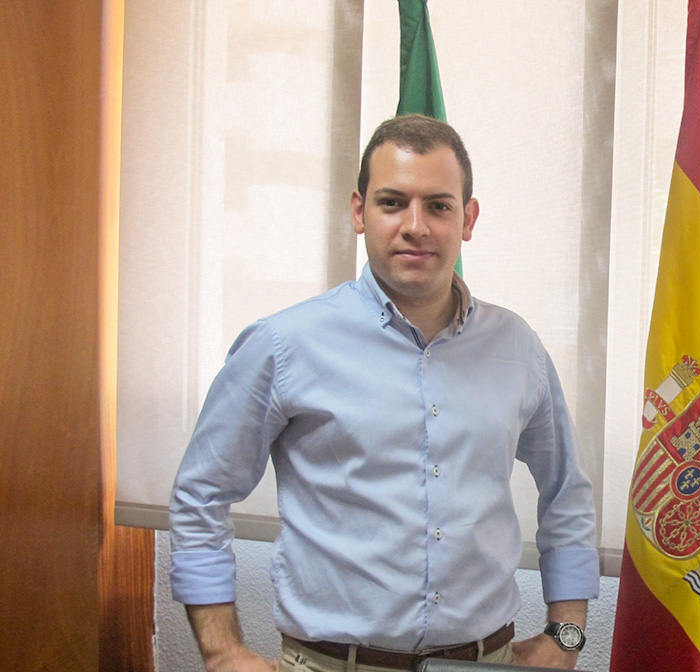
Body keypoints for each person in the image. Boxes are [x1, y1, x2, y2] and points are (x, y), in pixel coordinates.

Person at [168, 114, 599, 672]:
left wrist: (565, 637)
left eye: (439, 206)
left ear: (468, 219)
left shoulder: (517, 348)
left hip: (484, 663)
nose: (415, 225)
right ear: (358, 211)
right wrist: (222, 651)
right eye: (392, 202)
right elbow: (200, 494)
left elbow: (567, 493)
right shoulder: (283, 346)